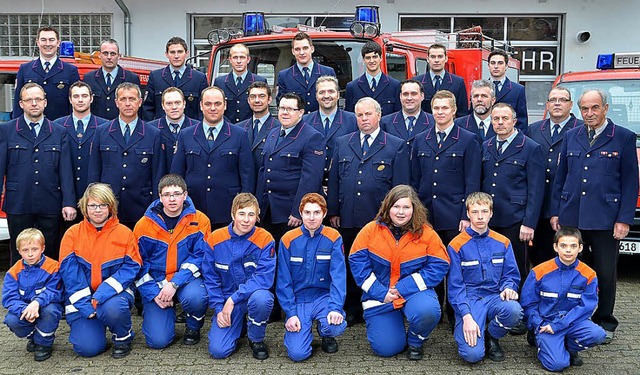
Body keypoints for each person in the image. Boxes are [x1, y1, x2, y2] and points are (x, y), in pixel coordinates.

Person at [550, 89, 639, 343]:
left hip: (605, 219)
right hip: (572, 216)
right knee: (575, 269)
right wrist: (556, 212)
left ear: (605, 108)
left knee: (605, 272)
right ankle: (577, 317)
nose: (589, 113)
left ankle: (605, 320)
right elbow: (561, 178)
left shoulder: (622, 137)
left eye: (595, 108)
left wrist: (624, 219)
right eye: (585, 108)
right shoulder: (571, 136)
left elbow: (631, 183)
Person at [328, 96, 409, 326]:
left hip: (380, 220)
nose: (364, 119)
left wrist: (397, 218)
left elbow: (401, 187)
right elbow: (334, 180)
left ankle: (380, 306)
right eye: (360, 115)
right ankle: (353, 307)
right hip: (349, 216)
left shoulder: (395, 144)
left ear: (379, 115)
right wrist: (333, 211)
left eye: (368, 114)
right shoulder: (343, 142)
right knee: (352, 263)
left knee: (380, 264)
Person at [349, 185, 449, 360]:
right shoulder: (370, 230)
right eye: (396, 206)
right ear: (387, 207)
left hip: (412, 292)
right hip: (380, 295)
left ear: (414, 209)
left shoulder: (426, 233)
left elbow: (440, 264)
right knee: (386, 349)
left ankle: (415, 341)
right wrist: (381, 292)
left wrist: (404, 287)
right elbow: (357, 262)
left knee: (428, 311)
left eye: (406, 207)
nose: (401, 212)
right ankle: (394, 329)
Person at [410, 90, 481, 327]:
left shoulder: (468, 139)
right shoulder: (421, 139)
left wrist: (466, 215)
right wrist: (415, 215)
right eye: (436, 108)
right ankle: (434, 309)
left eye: (445, 108)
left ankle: (455, 312)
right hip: (427, 216)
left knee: (454, 267)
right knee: (429, 264)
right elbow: (415, 179)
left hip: (454, 216)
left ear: (454, 110)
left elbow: (472, 181)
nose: (440, 112)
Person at [59, 183, 142, 358]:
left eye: (103, 205)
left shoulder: (125, 233)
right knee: (87, 349)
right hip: (82, 299)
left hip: (112, 296)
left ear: (110, 207)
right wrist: (85, 305)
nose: (98, 210)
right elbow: (70, 275)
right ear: (84, 207)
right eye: (93, 205)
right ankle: (96, 330)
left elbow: (132, 267)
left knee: (113, 308)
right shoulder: (72, 234)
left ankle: (123, 337)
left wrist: (101, 294)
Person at [0, 82, 77, 264]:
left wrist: (68, 203)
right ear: (21, 104)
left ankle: (48, 290)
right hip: (18, 202)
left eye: (38, 99)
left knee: (49, 249)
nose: (34, 103)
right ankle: (21, 290)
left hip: (49, 202)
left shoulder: (59, 132)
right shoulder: (7, 130)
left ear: (45, 102)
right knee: (19, 251)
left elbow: (65, 170)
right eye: (29, 100)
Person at [133, 174, 210, 349]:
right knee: (158, 342)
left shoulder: (200, 220)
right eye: (167, 195)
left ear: (185, 195)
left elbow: (199, 257)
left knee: (196, 298)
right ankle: (162, 313)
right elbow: (138, 264)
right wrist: (154, 293)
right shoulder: (143, 225)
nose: (172, 199)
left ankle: (193, 327)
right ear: (160, 197)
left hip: (186, 281)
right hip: (156, 284)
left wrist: (174, 283)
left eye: (177, 194)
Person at [447, 192, 523, 363]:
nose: (480, 217)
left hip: (495, 296)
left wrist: (509, 287)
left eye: (484, 211)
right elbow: (455, 287)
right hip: (470, 300)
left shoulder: (503, 242)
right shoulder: (456, 246)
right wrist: (466, 316)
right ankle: (469, 328)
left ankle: (492, 336)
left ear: (491, 213)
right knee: (472, 356)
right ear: (468, 213)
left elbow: (511, 274)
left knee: (514, 310)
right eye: (475, 212)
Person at [521, 227, 606, 371]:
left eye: (573, 246)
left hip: (573, 322)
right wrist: (538, 324)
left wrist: (559, 325)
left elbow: (586, 307)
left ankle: (567, 346)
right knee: (557, 365)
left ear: (580, 248)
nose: (568, 250)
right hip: (546, 324)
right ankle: (541, 341)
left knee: (598, 334)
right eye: (563, 245)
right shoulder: (539, 271)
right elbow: (528, 304)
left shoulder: (589, 275)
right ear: (555, 247)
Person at [481, 103, 544, 297]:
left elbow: (536, 189)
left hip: (516, 221)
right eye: (496, 119)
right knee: (492, 267)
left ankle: (520, 313)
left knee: (518, 268)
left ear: (514, 121)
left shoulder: (530, 147)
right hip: (490, 219)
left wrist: (529, 223)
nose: (500, 123)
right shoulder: (486, 145)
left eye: (505, 119)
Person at [203, 193, 276, 360]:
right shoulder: (215, 239)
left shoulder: (265, 239)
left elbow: (263, 279)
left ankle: (256, 339)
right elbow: (210, 278)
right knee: (218, 351)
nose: (246, 220)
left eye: (251, 215)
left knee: (263, 299)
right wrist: (219, 308)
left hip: (251, 296)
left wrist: (233, 299)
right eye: (241, 214)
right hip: (226, 301)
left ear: (257, 217)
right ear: (232, 214)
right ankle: (239, 326)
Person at [171, 86, 254, 229]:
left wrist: (245, 207)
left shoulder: (239, 135)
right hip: (193, 208)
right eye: (208, 104)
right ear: (201, 106)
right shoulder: (186, 135)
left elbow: (247, 174)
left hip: (227, 209)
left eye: (217, 104)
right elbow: (177, 175)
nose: (213, 108)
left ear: (225, 105)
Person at [276, 193, 347, 362]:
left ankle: (326, 333)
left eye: (317, 212)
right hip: (299, 300)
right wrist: (290, 313)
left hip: (324, 297)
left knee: (336, 325)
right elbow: (283, 281)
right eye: (307, 212)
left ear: (324, 213)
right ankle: (302, 330)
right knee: (298, 354)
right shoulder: (288, 239)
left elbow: (339, 276)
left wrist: (336, 307)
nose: (312, 217)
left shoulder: (334, 238)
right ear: (301, 213)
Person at [88, 82, 165, 229]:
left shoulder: (153, 134)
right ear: (116, 102)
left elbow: (158, 175)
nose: (128, 104)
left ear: (140, 102)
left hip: (141, 208)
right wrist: (94, 204)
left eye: (132, 99)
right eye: (123, 99)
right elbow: (94, 172)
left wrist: (156, 208)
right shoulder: (101, 132)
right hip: (108, 208)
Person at [526, 86, 582, 266]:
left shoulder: (581, 129)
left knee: (567, 260)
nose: (557, 103)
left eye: (562, 100)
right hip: (539, 207)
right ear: (547, 104)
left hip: (568, 208)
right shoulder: (533, 129)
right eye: (553, 100)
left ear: (571, 104)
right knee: (539, 259)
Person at [2, 228, 63, 362]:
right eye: (25, 250)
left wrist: (36, 303)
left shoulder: (53, 267)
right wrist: (25, 310)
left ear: (43, 248)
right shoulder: (13, 272)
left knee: (51, 311)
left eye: (34, 249)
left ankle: (44, 343)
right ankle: (34, 337)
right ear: (18, 251)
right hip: (25, 309)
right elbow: (9, 298)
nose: (30, 254)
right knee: (11, 320)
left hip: (47, 306)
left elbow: (55, 291)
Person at [54, 81, 107, 210]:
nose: (80, 100)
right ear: (70, 100)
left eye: (84, 96)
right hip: (63, 197)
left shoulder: (105, 127)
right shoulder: (57, 126)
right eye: (76, 96)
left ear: (91, 98)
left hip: (95, 199)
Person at [302, 76, 358, 192]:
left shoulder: (353, 120)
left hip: (343, 186)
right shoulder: (304, 121)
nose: (326, 96)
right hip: (312, 187)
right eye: (322, 92)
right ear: (316, 96)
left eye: (331, 91)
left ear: (338, 94)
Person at [12, 26, 80, 121]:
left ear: (58, 42)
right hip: (31, 128)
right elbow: (17, 103)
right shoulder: (25, 69)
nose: (47, 44)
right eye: (43, 40)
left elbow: (75, 104)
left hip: (60, 129)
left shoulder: (70, 71)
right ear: (37, 42)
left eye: (51, 40)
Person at [143, 37, 208, 121]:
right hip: (161, 131)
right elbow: (148, 108)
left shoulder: (199, 78)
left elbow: (203, 109)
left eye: (180, 52)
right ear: (166, 54)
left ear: (187, 53)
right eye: (172, 52)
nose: (176, 56)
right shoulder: (155, 77)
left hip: (191, 131)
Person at [276, 32, 336, 113]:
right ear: (293, 51)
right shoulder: (284, 76)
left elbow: (334, 102)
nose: (301, 53)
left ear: (312, 49)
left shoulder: (327, 72)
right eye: (297, 49)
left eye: (305, 48)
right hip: (297, 123)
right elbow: (281, 105)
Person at [83, 38, 141, 120]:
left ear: (119, 56)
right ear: (99, 55)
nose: (109, 57)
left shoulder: (131, 78)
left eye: (113, 54)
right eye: (105, 53)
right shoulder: (89, 78)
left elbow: (139, 109)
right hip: (96, 130)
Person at [148, 87, 200, 175]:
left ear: (184, 104)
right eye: (169, 103)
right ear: (162, 106)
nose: (174, 107)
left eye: (177, 103)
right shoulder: (150, 129)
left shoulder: (198, 128)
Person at [234, 81, 280, 182]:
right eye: (253, 97)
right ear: (248, 100)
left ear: (269, 99)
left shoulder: (279, 128)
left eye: (262, 96)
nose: (257, 100)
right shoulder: (238, 128)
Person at [213, 43, 267, 123]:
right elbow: (217, 108)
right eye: (235, 57)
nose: (239, 61)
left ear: (248, 59)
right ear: (230, 60)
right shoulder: (220, 82)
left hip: (250, 129)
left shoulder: (259, 81)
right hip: (227, 129)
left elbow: (262, 110)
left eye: (242, 57)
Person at [345, 41, 401, 116]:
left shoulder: (394, 85)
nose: (371, 61)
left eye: (375, 57)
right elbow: (349, 117)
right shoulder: (352, 87)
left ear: (381, 58)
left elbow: (398, 116)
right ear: (363, 60)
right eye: (368, 58)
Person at [414, 43, 469, 118]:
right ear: (427, 59)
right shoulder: (417, 82)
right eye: (433, 57)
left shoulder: (458, 82)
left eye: (440, 57)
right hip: (424, 128)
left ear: (446, 58)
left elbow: (462, 113)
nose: (436, 60)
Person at [380, 79, 436, 151]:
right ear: (400, 96)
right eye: (405, 94)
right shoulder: (385, 123)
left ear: (422, 96)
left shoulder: (433, 122)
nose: (409, 98)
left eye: (414, 94)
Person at [487, 49, 528, 131]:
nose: (496, 66)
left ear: (506, 66)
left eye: (500, 63)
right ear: (488, 66)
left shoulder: (518, 90)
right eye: (493, 63)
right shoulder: (480, 89)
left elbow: (522, 120)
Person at [454, 79, 497, 144]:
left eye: (484, 96)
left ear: (493, 100)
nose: (479, 99)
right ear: (471, 99)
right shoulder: (458, 125)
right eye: (476, 96)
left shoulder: (501, 124)